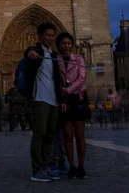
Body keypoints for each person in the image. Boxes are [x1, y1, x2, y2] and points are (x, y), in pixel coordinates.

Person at [24, 22, 63, 182]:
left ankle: (47, 166)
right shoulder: (36, 52)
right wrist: (29, 52)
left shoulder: (54, 55)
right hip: (40, 98)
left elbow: (58, 78)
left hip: (54, 99)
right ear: (39, 37)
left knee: (50, 135)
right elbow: (27, 53)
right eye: (47, 35)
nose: (50, 38)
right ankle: (37, 169)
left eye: (52, 35)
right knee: (39, 134)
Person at [57, 32, 89, 179]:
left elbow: (82, 77)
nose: (66, 45)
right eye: (63, 43)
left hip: (77, 98)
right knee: (68, 135)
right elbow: (53, 77)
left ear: (72, 44)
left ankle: (81, 166)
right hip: (64, 100)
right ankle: (71, 166)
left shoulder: (79, 58)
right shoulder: (55, 60)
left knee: (80, 135)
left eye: (69, 43)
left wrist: (67, 90)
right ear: (59, 45)